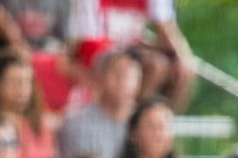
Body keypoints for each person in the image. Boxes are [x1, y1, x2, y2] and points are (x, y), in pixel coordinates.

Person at [67, 0, 195, 111]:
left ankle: (158, 123)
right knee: (155, 66)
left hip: (129, 49)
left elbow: (167, 29)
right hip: (97, 50)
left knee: (183, 73)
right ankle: (133, 121)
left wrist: (182, 60)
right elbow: (87, 41)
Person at [58, 48, 141, 158]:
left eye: (130, 76)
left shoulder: (145, 120)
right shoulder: (78, 124)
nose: (124, 82)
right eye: (118, 74)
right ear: (100, 77)